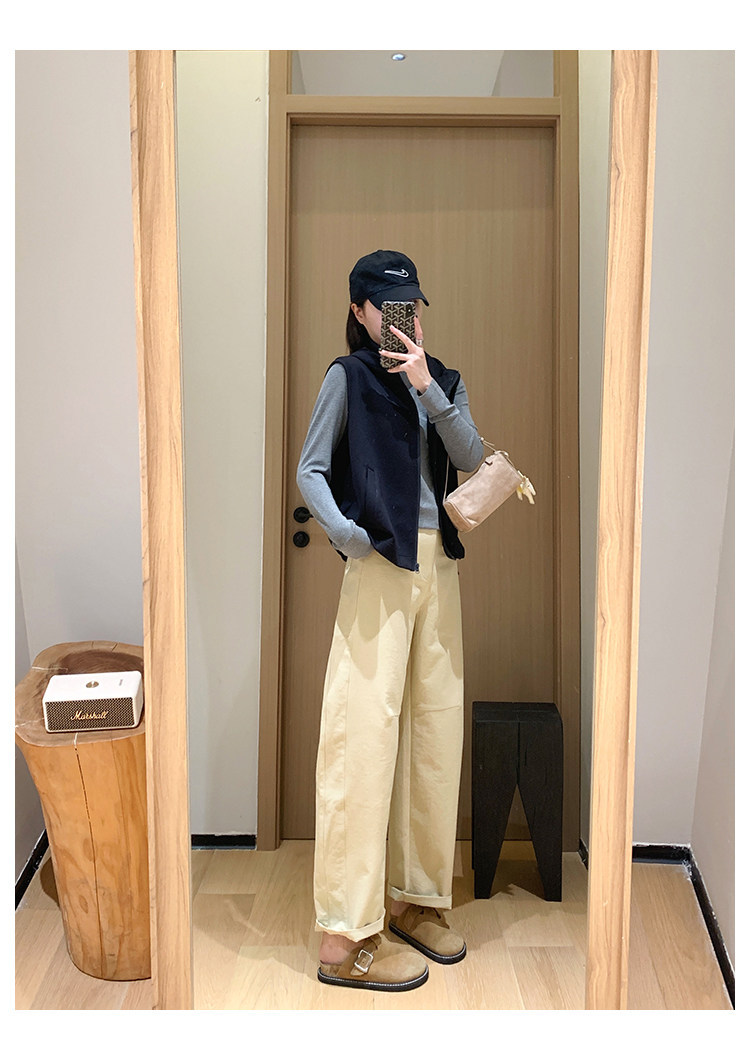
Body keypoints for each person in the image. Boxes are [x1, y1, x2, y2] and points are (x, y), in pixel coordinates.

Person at [296, 249, 484, 992]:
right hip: (379, 566)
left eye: (411, 306)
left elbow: (471, 455)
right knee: (362, 738)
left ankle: (414, 900)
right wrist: (349, 537)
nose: (402, 318)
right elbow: (311, 468)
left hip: (439, 570)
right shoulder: (347, 377)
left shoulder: (444, 379)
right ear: (359, 311)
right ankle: (343, 937)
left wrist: (427, 384)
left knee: (435, 732)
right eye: (386, 306)